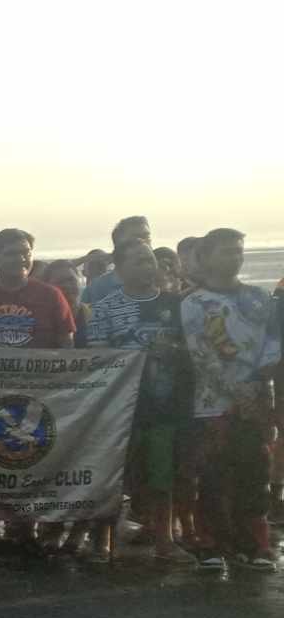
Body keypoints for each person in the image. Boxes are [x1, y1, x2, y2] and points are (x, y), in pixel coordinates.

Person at [182, 228, 280, 571]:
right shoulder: (193, 303)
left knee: (255, 474)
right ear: (206, 257)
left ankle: (255, 546)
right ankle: (211, 546)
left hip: (256, 399)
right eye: (226, 251)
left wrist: (257, 381)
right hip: (212, 403)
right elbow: (201, 355)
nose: (235, 257)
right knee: (212, 475)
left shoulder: (258, 297)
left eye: (239, 251)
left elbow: (273, 341)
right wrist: (235, 391)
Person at [87, 240, 189, 564]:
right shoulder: (103, 308)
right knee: (111, 476)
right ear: (119, 269)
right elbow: (98, 358)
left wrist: (171, 352)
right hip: (120, 409)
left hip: (164, 406)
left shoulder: (178, 305)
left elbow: (193, 352)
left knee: (163, 475)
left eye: (150, 260)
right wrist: (141, 354)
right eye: (138, 262)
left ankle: (165, 539)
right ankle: (101, 541)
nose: (147, 266)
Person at [0, 229, 74, 348]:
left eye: (26, 253)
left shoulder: (51, 295)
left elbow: (67, 345)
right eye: (11, 254)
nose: (21, 259)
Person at [83, 216, 151, 308]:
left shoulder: (162, 280)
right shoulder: (97, 289)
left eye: (147, 236)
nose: (144, 242)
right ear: (119, 244)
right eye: (137, 238)